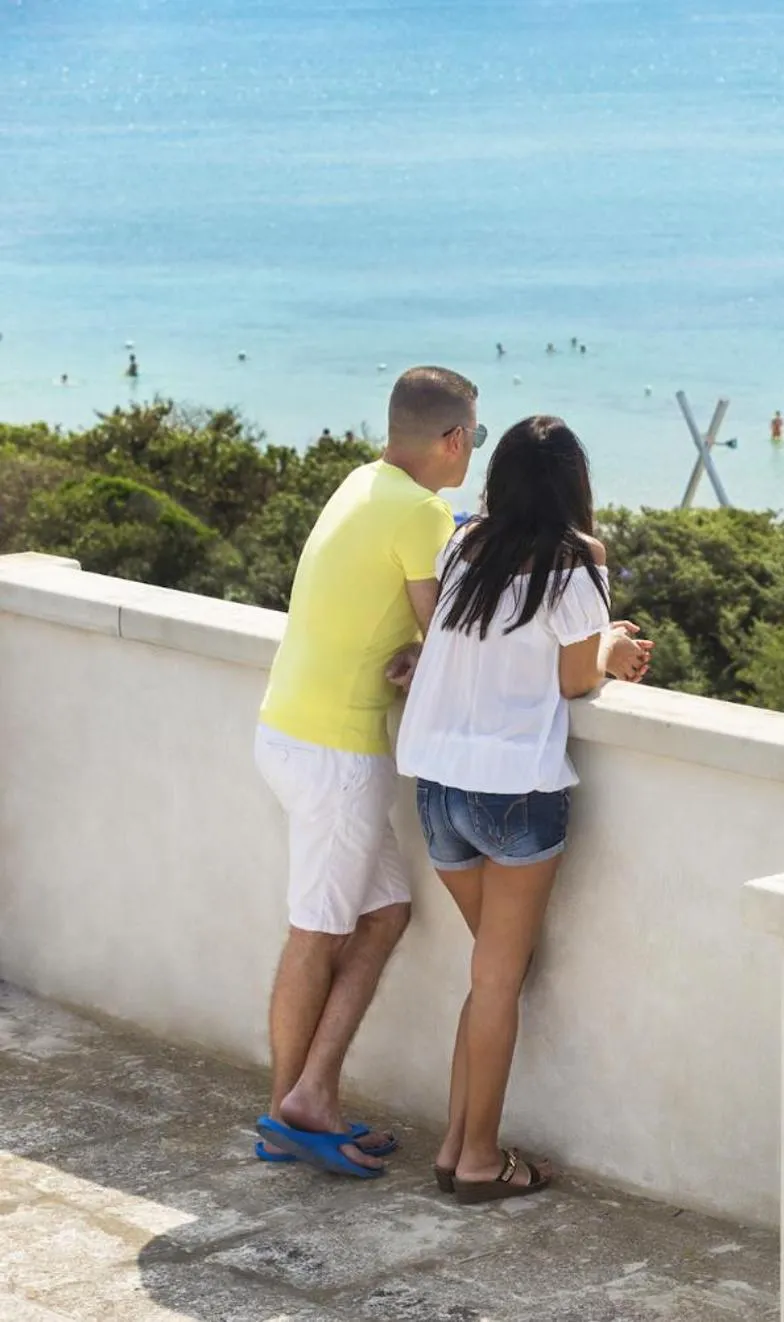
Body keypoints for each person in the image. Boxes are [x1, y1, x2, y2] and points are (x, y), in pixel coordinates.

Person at [397, 415, 652, 1204]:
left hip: (437, 784)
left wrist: (595, 643)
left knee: (493, 973)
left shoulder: (461, 544)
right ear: (575, 484)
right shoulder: (577, 565)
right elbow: (576, 681)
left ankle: (454, 1144)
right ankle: (476, 1159)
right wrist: (610, 645)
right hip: (513, 789)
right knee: (502, 978)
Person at [252, 366, 483, 1178]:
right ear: (452, 440)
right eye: (474, 438)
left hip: (289, 732)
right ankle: (296, 1107)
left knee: (383, 914)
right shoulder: (423, 512)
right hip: (335, 754)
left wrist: (423, 649)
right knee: (316, 932)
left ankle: (304, 1100)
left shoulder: (361, 482)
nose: (472, 454)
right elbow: (452, 637)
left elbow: (417, 633)